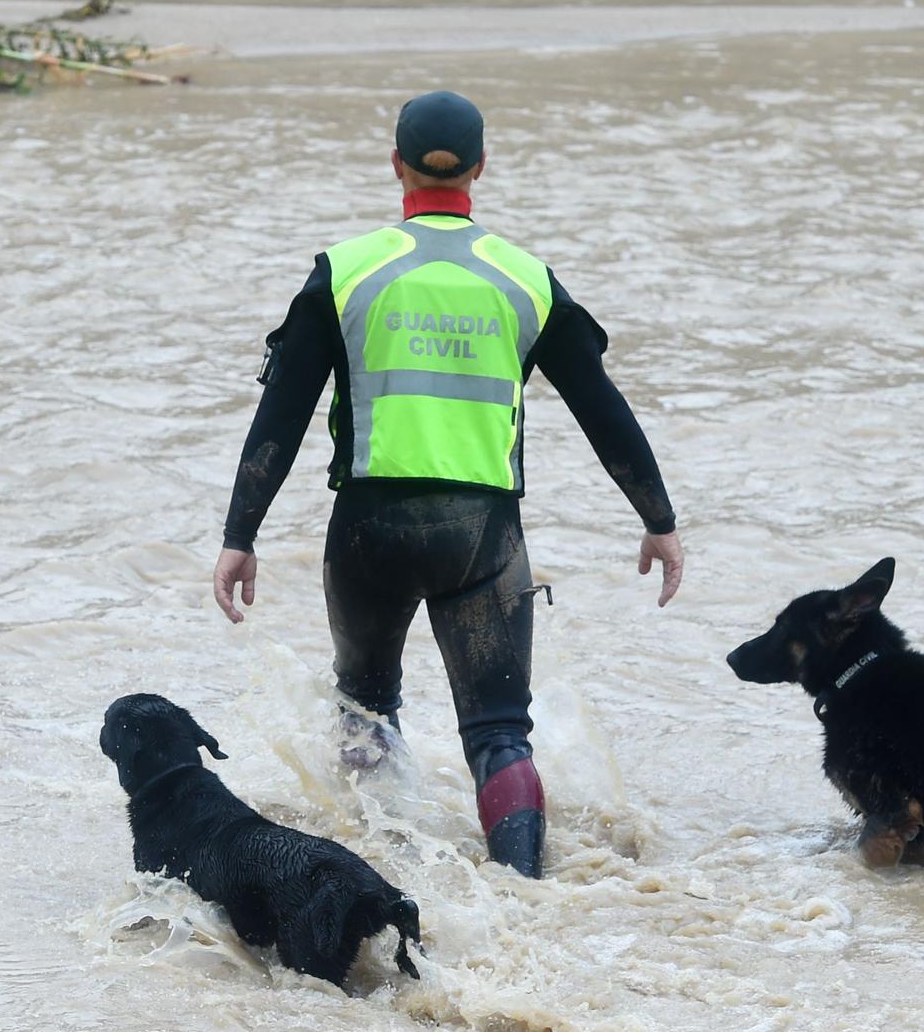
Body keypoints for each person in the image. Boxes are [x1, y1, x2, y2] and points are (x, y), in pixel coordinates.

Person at [210, 90, 683, 880]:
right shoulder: (526, 280)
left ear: (395, 164)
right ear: (481, 169)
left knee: (367, 709)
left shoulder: (346, 271)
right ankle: (524, 904)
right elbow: (603, 407)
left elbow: (280, 414)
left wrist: (239, 535)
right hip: (483, 537)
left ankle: (387, 878)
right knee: (500, 731)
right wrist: (658, 518)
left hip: (367, 527)